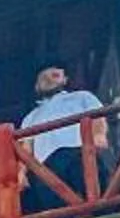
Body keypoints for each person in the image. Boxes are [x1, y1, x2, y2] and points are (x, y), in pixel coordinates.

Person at [19, 63, 108, 210]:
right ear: (36, 86)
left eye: (54, 76)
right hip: (46, 166)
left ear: (65, 79)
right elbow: (26, 148)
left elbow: (97, 118)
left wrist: (99, 135)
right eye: (43, 78)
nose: (48, 80)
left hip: (79, 153)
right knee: (57, 208)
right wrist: (21, 172)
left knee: (93, 196)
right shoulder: (30, 117)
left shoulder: (82, 97)